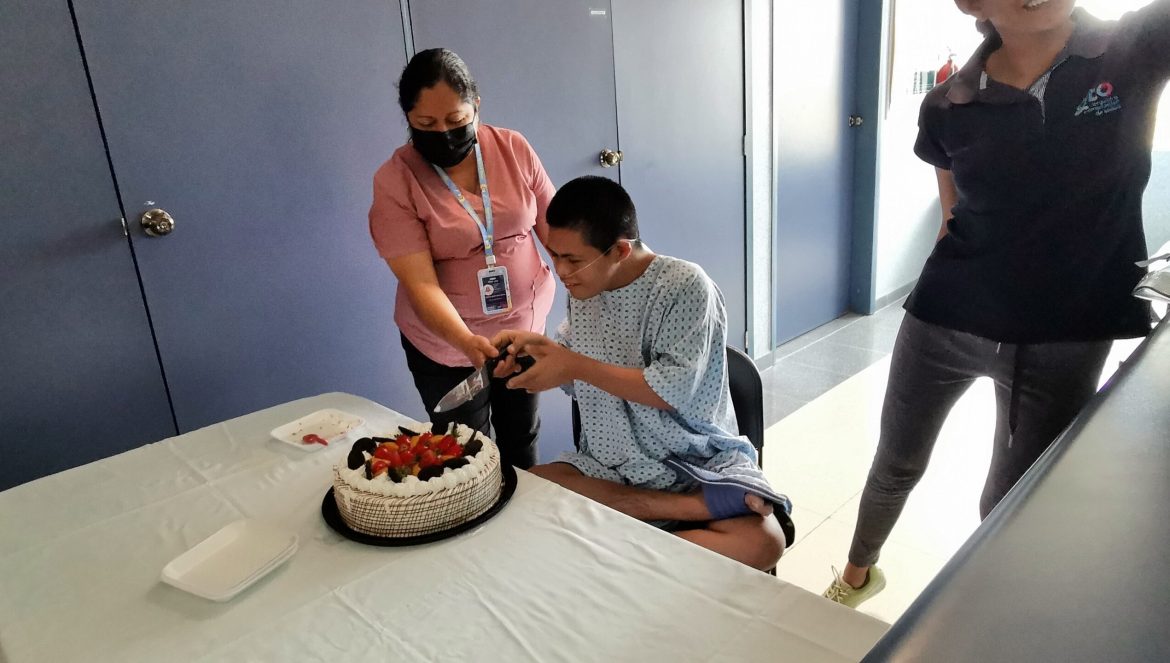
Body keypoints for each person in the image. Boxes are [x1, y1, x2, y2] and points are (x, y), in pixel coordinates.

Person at [823, 0, 1170, 607]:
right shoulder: (948, 103)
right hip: (946, 316)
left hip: (1066, 335)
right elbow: (953, 215)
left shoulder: (1135, 46)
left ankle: (980, 607)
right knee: (896, 462)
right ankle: (855, 578)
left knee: (1012, 495)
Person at [491, 176, 789, 571]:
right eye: (555, 255)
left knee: (763, 542)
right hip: (610, 467)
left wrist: (572, 365)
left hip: (691, 465)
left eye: (573, 260)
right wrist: (534, 356)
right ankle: (679, 515)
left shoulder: (685, 287)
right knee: (528, 490)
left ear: (619, 250)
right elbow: (573, 362)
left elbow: (669, 391)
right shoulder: (585, 288)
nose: (560, 271)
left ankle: (624, 544)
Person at [368, 49, 556, 469]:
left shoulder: (512, 148)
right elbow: (421, 284)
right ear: (408, 118)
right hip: (447, 346)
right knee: (467, 457)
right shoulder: (396, 179)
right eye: (425, 124)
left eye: (456, 120)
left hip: (523, 332)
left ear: (476, 107)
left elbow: (557, 231)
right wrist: (467, 342)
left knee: (522, 440)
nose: (443, 133)